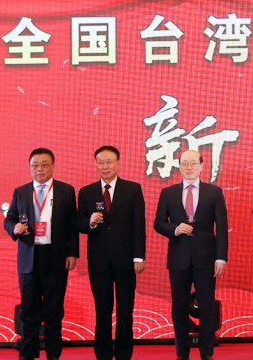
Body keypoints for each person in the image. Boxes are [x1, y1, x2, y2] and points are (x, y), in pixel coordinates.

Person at [4, 147, 79, 360]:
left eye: (45, 165)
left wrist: (72, 253)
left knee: (54, 310)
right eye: (35, 165)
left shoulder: (66, 190)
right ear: (30, 168)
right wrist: (14, 228)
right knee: (29, 311)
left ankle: (53, 355)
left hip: (55, 257)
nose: (40, 169)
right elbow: (9, 219)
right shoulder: (21, 192)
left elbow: (72, 226)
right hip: (29, 259)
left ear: (53, 167)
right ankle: (27, 355)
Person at [154, 150, 228, 360]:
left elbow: (222, 227)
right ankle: (182, 353)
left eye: (193, 163)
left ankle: (207, 353)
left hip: (206, 258)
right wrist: (176, 229)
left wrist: (221, 258)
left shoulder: (214, 192)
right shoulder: (168, 193)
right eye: (185, 163)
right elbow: (159, 223)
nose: (189, 167)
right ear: (179, 166)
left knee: (206, 308)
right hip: (179, 258)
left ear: (202, 166)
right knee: (179, 308)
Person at [77, 146, 146, 360]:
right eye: (101, 162)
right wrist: (89, 222)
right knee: (102, 310)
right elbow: (78, 223)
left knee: (125, 310)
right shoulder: (86, 192)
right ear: (96, 164)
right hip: (99, 260)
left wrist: (139, 256)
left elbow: (139, 225)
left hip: (126, 260)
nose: (105, 166)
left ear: (118, 163)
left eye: (109, 162)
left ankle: (124, 353)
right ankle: (103, 354)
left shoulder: (132, 189)